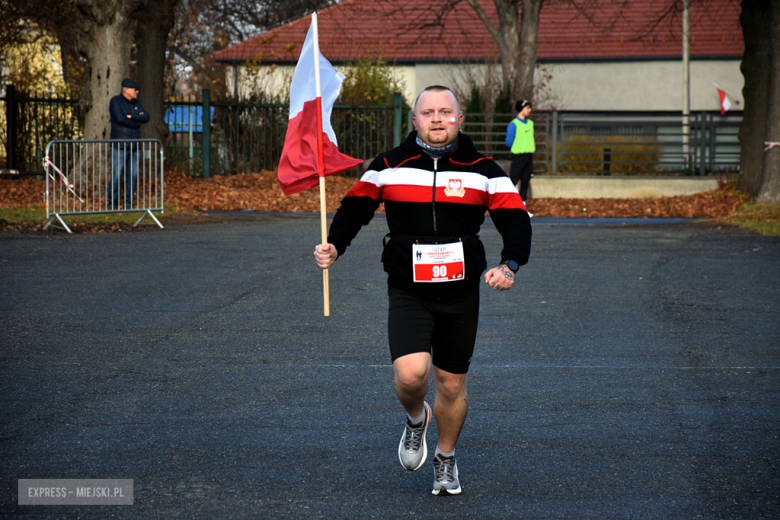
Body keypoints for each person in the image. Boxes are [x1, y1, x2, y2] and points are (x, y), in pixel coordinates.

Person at [314, 85, 532, 496]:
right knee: (411, 375)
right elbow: (354, 209)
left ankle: (446, 459)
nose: (436, 118)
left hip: (461, 290)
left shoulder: (484, 169)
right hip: (408, 287)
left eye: (445, 112)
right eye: (427, 112)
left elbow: (516, 219)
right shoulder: (389, 165)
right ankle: (417, 419)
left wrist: (510, 263)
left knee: (451, 384)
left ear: (459, 119)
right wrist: (334, 245)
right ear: (414, 121)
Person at [109, 78, 149, 210]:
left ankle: (128, 203)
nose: (137, 92)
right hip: (120, 144)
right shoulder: (116, 101)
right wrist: (135, 122)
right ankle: (112, 204)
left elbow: (146, 117)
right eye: (134, 89)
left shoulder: (137, 103)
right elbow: (119, 118)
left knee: (133, 175)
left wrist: (131, 116)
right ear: (126, 90)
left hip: (134, 145)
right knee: (116, 175)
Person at [505, 99, 535, 205]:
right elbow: (509, 142)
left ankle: (522, 206)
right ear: (521, 109)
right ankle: (507, 204)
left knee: (525, 181)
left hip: (528, 156)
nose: (529, 110)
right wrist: (516, 148)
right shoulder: (514, 124)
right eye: (527, 108)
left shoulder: (530, 124)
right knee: (513, 180)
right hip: (518, 156)